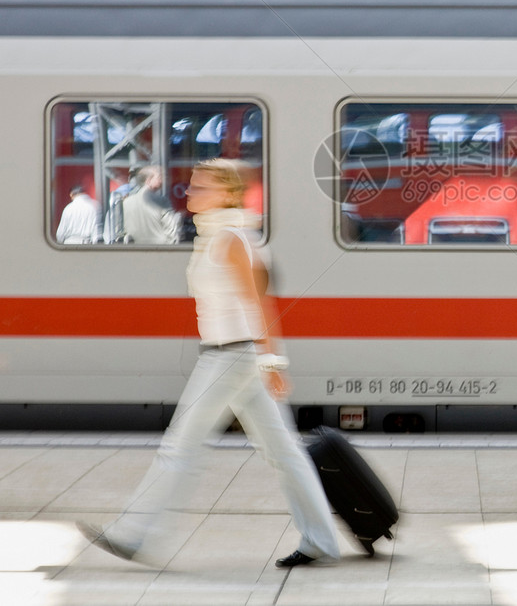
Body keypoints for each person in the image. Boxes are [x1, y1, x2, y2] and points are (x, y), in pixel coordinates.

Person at [77, 158, 340, 568]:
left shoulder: (233, 239)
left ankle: (134, 534)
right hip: (233, 354)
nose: (190, 193)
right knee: (283, 452)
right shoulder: (214, 235)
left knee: (179, 445)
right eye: (192, 185)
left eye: (202, 187)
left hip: (232, 355)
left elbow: (262, 304)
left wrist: (273, 363)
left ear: (228, 193)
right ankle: (321, 540)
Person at [122, 166, 182, 244]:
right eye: (159, 177)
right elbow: (171, 229)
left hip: (135, 248)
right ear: (148, 180)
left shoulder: (127, 202)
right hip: (159, 248)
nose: (162, 180)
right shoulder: (162, 201)